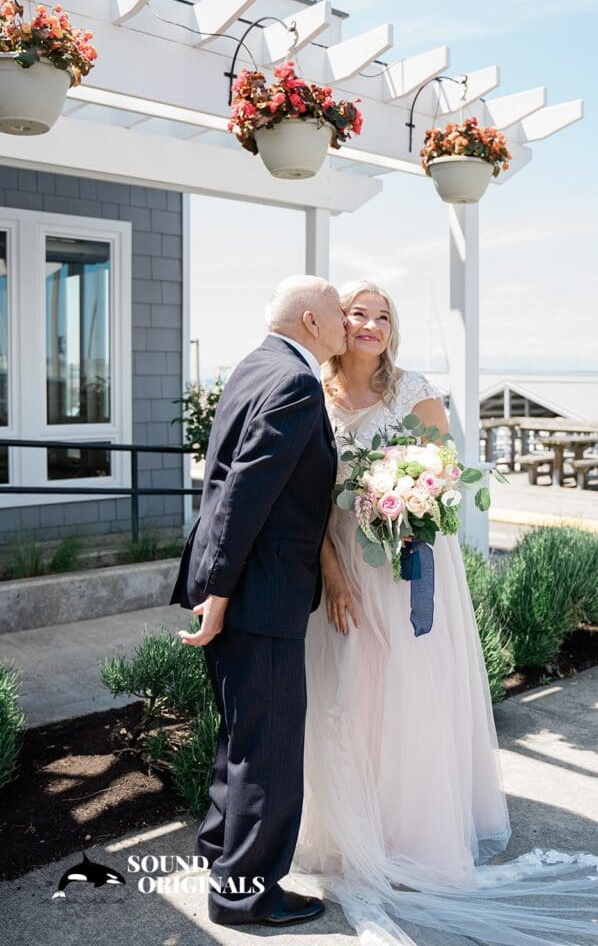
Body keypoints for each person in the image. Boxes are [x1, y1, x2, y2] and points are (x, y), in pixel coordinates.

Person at [290, 279, 598, 946]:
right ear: (337, 322)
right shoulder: (314, 395)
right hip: (342, 563)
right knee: (345, 686)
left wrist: (403, 500)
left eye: (382, 315)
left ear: (392, 329)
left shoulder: (412, 391)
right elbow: (306, 495)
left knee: (404, 688)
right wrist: (331, 567)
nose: (371, 324)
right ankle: (349, 827)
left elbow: (441, 475)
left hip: (405, 563)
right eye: (358, 313)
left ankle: (411, 831)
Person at [168, 274, 346, 928]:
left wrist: (215, 586)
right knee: (267, 749)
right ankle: (245, 894)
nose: (346, 323)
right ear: (309, 322)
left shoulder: (253, 365)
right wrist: (220, 593)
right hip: (258, 591)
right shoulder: (296, 381)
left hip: (239, 583)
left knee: (241, 735)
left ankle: (221, 848)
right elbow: (246, 490)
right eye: (337, 312)